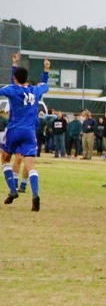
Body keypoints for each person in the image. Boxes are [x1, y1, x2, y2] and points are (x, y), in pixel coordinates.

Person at [1, 53, 50, 211]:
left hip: (14, 130)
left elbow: (9, 88)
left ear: (15, 78)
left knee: (5, 158)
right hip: (30, 132)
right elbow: (45, 85)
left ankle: (13, 190)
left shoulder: (12, 89)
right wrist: (46, 70)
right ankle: (35, 194)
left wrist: (14, 66)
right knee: (31, 165)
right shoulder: (35, 91)